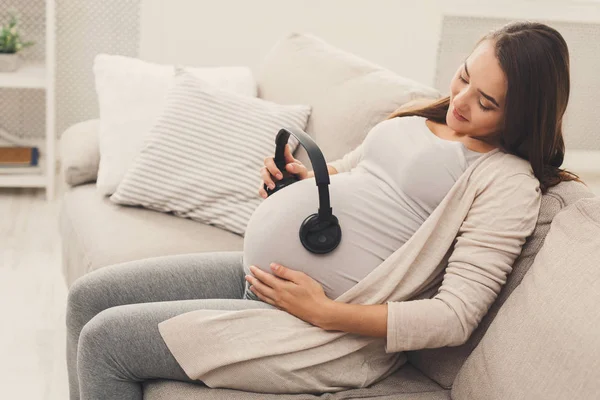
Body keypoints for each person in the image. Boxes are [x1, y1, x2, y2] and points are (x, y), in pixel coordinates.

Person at [66, 21, 583, 400]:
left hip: (321, 329)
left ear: (525, 113)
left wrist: (325, 311)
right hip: (268, 277)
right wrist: (299, 180)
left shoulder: (507, 183)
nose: (461, 101)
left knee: (106, 343)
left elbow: (454, 317)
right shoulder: (421, 117)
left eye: (486, 102)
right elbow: (348, 173)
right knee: (89, 297)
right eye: (464, 76)